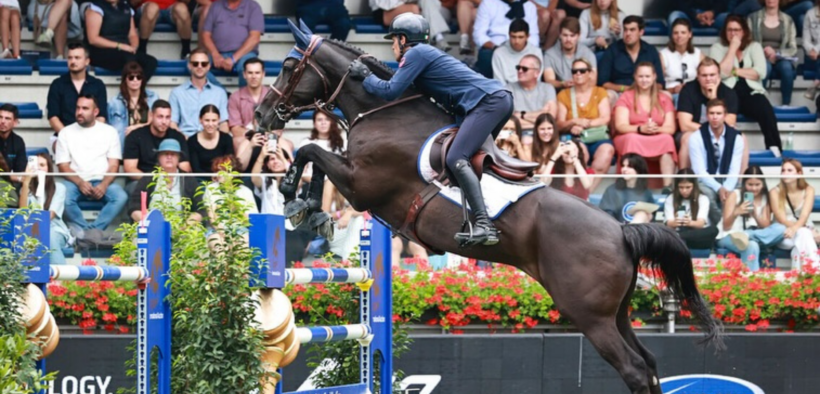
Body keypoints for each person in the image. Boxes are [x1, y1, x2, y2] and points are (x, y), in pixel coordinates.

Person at [351, 12, 512, 246]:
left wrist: (367, 77)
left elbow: (390, 91)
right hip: (493, 101)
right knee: (469, 162)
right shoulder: (423, 56)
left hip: (488, 102)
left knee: (457, 157)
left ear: (404, 40)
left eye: (394, 40)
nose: (393, 46)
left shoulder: (416, 53)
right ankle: (486, 215)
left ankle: (485, 225)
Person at [54, 95, 127, 238]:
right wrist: (80, 182)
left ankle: (90, 232)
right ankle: (88, 233)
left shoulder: (109, 132)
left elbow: (113, 165)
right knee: (63, 195)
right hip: (75, 181)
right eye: (78, 108)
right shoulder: (65, 132)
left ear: (95, 112)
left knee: (120, 196)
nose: (79, 112)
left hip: (101, 180)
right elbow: (63, 166)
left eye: (85, 108)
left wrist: (105, 184)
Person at [710, 15, 782, 155]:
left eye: (737, 30)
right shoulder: (717, 48)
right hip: (728, 92)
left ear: (744, 32)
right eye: (729, 30)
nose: (733, 33)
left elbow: (761, 72)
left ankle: (774, 147)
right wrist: (732, 49)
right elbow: (721, 73)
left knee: (765, 108)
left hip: (751, 91)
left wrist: (734, 71)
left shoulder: (754, 46)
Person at [612, 62, 677, 190]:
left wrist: (655, 129)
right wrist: (640, 129)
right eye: (640, 76)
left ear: (654, 77)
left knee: (667, 139)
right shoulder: (626, 97)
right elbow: (621, 125)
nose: (644, 80)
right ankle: (631, 186)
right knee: (632, 138)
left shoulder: (663, 98)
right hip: (631, 134)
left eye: (647, 76)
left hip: (656, 135)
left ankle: (667, 187)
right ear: (635, 77)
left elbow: (671, 128)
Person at [556, 58, 614, 191]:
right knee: (580, 154)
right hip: (574, 137)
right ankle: (578, 193)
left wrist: (583, 125)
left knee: (606, 152)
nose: (578, 74)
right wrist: (573, 122)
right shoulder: (563, 94)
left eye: (582, 71)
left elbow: (605, 118)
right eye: (575, 71)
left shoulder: (600, 92)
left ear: (590, 73)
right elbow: (559, 123)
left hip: (597, 136)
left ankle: (588, 193)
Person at [676, 57, 744, 170]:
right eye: (704, 75)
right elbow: (685, 125)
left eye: (712, 75)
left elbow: (730, 124)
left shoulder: (728, 93)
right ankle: (684, 181)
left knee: (741, 138)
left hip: (719, 133)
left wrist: (713, 98)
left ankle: (739, 183)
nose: (708, 79)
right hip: (693, 132)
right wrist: (710, 131)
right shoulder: (688, 90)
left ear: (719, 76)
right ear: (698, 77)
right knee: (688, 138)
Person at [716, 166, 785, 271]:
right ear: (744, 183)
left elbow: (766, 226)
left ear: (763, 183)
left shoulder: (765, 197)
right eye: (750, 184)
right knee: (752, 246)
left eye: (757, 184)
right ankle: (751, 283)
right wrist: (736, 212)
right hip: (729, 235)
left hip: (754, 235)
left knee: (781, 228)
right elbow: (726, 226)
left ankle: (746, 235)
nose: (754, 188)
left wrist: (755, 214)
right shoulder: (735, 194)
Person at [688, 99, 744, 223]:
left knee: (737, 194)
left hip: (728, 179)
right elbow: (699, 171)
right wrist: (719, 188)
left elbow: (735, 169)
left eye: (718, 113)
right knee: (707, 195)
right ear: (707, 115)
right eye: (711, 113)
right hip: (705, 180)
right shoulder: (696, 137)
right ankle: (721, 225)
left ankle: (736, 227)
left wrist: (727, 188)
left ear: (725, 115)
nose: (715, 117)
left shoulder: (736, 138)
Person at [128, 139, 204, 223]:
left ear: (179, 158)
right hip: (152, 227)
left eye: (173, 154)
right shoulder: (148, 178)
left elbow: (200, 209)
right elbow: (134, 207)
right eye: (165, 154)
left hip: (182, 228)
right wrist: (150, 223)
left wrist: (186, 226)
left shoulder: (188, 179)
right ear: (158, 157)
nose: (169, 157)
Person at [47, 44, 108, 145]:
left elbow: (101, 117)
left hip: (92, 137)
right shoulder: (57, 84)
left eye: (77, 58)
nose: (73, 61)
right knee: (60, 146)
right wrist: (69, 137)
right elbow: (53, 117)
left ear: (87, 61)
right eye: (70, 58)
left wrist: (88, 136)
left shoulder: (98, 85)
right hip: (64, 136)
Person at [83, 0, 159, 80]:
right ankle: (126, 89)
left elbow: (132, 35)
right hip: (101, 52)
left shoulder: (126, 7)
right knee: (129, 59)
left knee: (151, 62)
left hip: (123, 51)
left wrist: (134, 47)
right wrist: (120, 46)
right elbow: (93, 39)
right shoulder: (95, 8)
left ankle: (138, 88)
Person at [597, 15, 664, 104]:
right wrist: (625, 89)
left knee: (666, 95)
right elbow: (603, 82)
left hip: (646, 92)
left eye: (632, 30)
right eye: (625, 29)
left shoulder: (650, 50)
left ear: (641, 32)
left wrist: (646, 90)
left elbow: (660, 83)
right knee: (608, 95)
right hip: (619, 92)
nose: (628, 33)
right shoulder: (612, 50)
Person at [19, 153, 71, 265]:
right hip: (31, 230)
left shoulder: (59, 188)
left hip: (55, 230)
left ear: (49, 168)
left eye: (42, 165)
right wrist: (26, 181)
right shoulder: (25, 190)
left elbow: (50, 216)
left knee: (48, 234)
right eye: (35, 165)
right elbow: (22, 213)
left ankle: (62, 277)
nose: (38, 168)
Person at [199, 0, 264, 87]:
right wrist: (215, 54)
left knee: (249, 68)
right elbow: (205, 35)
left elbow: (255, 38)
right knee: (194, 64)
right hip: (218, 53)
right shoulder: (215, 6)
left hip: (245, 55)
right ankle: (222, 93)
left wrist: (233, 59)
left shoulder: (253, 6)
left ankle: (243, 98)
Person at [123, 100, 192, 182]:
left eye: (167, 117)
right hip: (142, 181)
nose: (164, 122)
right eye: (160, 117)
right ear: (151, 116)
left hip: (171, 182)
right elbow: (130, 169)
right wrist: (155, 182)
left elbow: (185, 167)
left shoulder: (178, 137)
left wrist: (168, 182)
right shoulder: (135, 136)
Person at [747, 0, 798, 108]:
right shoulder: (753, 18)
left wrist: (776, 53)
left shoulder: (788, 20)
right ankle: (760, 103)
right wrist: (763, 53)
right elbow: (748, 43)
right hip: (760, 56)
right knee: (765, 67)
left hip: (781, 57)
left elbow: (793, 48)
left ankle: (786, 105)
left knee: (786, 68)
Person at [169, 48, 229, 137]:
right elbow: (172, 124)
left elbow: (223, 124)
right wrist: (185, 140)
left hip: (212, 140)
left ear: (209, 66)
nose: (200, 66)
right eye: (195, 63)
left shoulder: (220, 93)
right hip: (186, 139)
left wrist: (218, 141)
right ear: (189, 66)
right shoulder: (177, 93)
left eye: (204, 64)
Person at [771, 159, 819, 270]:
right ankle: (815, 273)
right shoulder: (774, 191)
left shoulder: (809, 190)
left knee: (798, 247)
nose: (785, 173)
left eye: (789, 170)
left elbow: (804, 215)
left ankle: (798, 278)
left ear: (799, 173)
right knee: (805, 234)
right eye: (783, 170)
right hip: (784, 232)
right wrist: (795, 229)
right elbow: (781, 218)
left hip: (802, 228)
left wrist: (797, 228)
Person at [473, 0, 539, 78]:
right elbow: (478, 34)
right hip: (495, 48)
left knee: (535, 56)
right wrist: (495, 47)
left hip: (521, 48)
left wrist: (519, 49)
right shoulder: (488, 3)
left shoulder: (529, 6)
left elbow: (534, 38)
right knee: (485, 56)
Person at [228, 58, 275, 165]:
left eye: (257, 73)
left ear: (263, 74)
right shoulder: (235, 97)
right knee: (237, 141)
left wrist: (264, 135)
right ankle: (240, 173)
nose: (253, 76)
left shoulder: (273, 96)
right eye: (250, 73)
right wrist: (254, 135)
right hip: (246, 138)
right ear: (244, 74)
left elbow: (278, 127)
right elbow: (235, 129)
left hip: (268, 137)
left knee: (285, 143)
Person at [108, 61, 160, 148]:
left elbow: (158, 122)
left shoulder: (153, 97)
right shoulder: (115, 102)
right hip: (123, 147)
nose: (135, 80)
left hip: (147, 147)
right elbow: (109, 128)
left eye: (139, 77)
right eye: (131, 77)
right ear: (125, 79)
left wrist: (137, 127)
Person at [664, 168, 718, 250]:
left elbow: (700, 224)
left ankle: (679, 237)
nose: (684, 191)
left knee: (714, 230)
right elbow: (668, 223)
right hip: (678, 232)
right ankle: (679, 237)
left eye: (688, 187)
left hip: (696, 236)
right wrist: (676, 222)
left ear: (694, 186)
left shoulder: (702, 198)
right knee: (667, 233)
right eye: (681, 187)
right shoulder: (671, 198)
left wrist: (689, 222)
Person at [370, 0, 452, 51]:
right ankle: (437, 38)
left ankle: (435, 40)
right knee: (415, 10)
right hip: (384, 12)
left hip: (413, 7)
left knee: (427, 4)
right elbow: (386, 4)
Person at [542, 17, 597, 90]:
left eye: (572, 35)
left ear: (578, 35)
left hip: (583, 92)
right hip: (560, 95)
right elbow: (549, 81)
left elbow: (593, 82)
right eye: (565, 35)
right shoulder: (549, 55)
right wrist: (562, 84)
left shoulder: (588, 54)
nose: (568, 39)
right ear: (560, 35)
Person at [599, 153, 655, 224]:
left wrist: (649, 217)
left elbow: (652, 218)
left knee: (642, 214)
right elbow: (606, 216)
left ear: (638, 170)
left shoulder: (646, 193)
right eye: (623, 166)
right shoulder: (612, 190)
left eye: (629, 166)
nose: (624, 169)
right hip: (617, 230)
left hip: (640, 232)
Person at [507, 55, 557, 129]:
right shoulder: (508, 89)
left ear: (536, 73)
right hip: (518, 133)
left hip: (543, 134)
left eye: (524, 69)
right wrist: (541, 114)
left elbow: (551, 118)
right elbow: (508, 121)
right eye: (518, 68)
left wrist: (522, 115)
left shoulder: (548, 88)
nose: (520, 71)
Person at [660, 18, 704, 98]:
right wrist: (673, 90)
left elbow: (705, 78)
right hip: (671, 95)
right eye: (676, 33)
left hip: (693, 94)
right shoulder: (663, 54)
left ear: (690, 34)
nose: (679, 36)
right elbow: (657, 85)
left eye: (683, 32)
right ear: (672, 35)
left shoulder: (698, 54)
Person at [188, 105, 234, 180]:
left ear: (219, 120)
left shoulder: (226, 139)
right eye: (207, 120)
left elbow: (229, 165)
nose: (210, 124)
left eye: (214, 120)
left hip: (223, 180)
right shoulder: (192, 141)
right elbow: (196, 169)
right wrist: (212, 177)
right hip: (200, 181)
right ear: (200, 120)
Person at [298, 110, 346, 183]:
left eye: (327, 119)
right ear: (314, 123)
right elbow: (302, 172)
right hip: (312, 183)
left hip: (336, 185)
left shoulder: (343, 143)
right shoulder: (306, 143)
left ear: (332, 122)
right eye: (319, 120)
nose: (323, 123)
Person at [322, 180, 366, 259]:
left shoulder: (361, 181)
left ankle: (349, 259)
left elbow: (368, 210)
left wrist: (350, 213)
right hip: (337, 227)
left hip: (356, 226)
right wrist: (344, 212)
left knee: (358, 219)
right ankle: (350, 260)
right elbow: (324, 217)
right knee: (357, 220)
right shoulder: (331, 183)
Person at [491, 18, 543, 85]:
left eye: (520, 37)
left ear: (527, 36)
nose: (516, 41)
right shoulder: (498, 53)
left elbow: (536, 80)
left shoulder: (536, 52)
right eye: (513, 37)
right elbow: (499, 83)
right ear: (509, 35)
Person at [0, 104, 26, 176]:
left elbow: (20, 172)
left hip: (10, 184)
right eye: (0, 117)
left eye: (7, 118)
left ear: (15, 122)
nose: (2, 121)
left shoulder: (18, 141)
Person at [802, 0, 820, 100]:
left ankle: (816, 82)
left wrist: (817, 49)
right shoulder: (810, 14)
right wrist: (812, 50)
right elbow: (805, 40)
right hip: (812, 55)